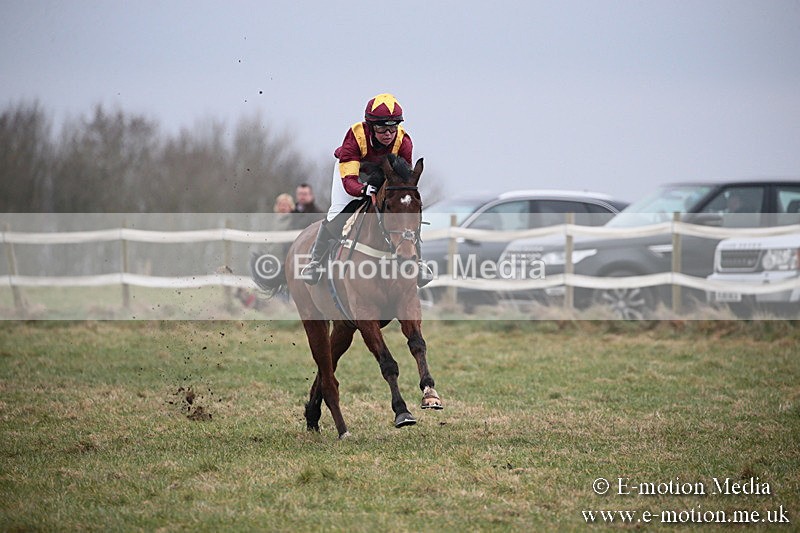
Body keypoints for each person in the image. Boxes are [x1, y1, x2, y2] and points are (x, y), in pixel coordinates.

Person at [301, 93, 432, 287]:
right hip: (354, 173)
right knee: (338, 211)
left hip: (383, 174)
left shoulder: (403, 141)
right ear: (370, 126)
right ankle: (316, 261)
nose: (388, 134)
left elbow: (404, 180)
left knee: (405, 212)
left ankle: (418, 262)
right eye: (381, 128)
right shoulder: (355, 136)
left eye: (393, 127)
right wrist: (363, 190)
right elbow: (349, 181)